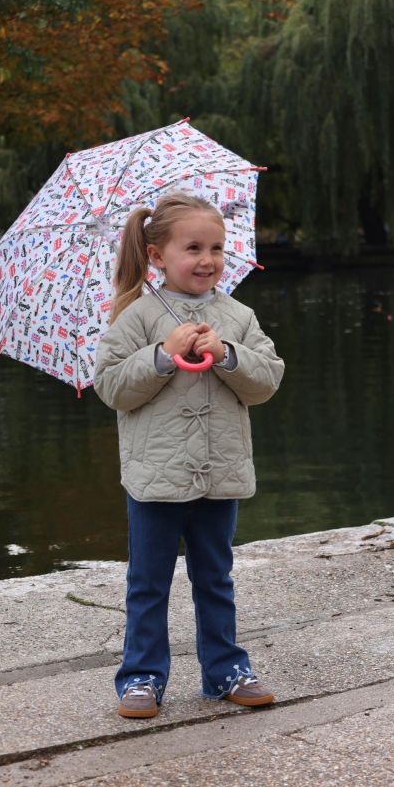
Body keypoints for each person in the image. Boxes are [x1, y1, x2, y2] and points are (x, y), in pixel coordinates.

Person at [94, 191, 285, 719]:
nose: (207, 260)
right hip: (156, 478)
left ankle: (226, 670)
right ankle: (141, 677)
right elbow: (111, 387)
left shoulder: (238, 316)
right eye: (193, 247)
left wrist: (227, 355)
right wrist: (163, 355)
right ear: (157, 256)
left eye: (217, 248)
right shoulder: (135, 316)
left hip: (219, 473)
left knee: (216, 578)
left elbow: (267, 380)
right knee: (148, 583)